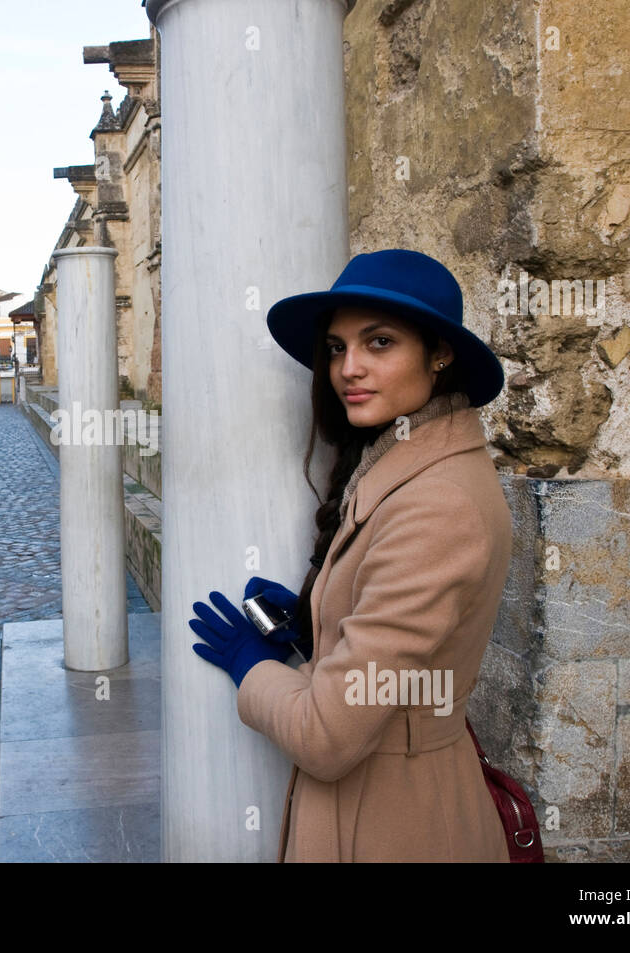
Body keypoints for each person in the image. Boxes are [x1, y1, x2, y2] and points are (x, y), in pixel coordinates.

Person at [187, 249, 512, 863]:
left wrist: (249, 667)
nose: (348, 369)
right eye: (337, 347)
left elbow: (328, 736)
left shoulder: (435, 503)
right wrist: (317, 623)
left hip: (397, 823)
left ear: (439, 353)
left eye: (379, 342)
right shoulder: (407, 466)